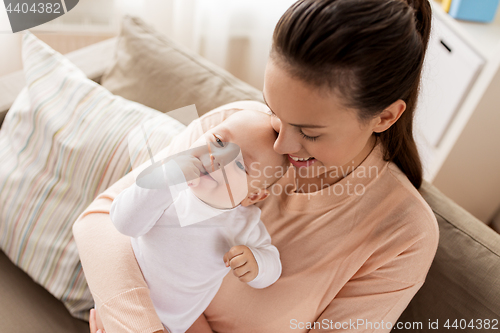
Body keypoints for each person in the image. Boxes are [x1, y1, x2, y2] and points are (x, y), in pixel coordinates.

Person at [73, 0, 439, 332]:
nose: (281, 144)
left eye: (309, 133)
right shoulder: (235, 130)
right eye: (276, 113)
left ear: (385, 116)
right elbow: (101, 222)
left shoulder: (403, 235)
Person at [107, 111, 286, 333]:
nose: (218, 159)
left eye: (241, 166)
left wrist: (257, 263)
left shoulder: (244, 224)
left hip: (172, 326)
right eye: (219, 141)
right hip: (120, 301)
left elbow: (273, 266)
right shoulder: (167, 181)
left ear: (253, 196)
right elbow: (123, 223)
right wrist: (166, 179)